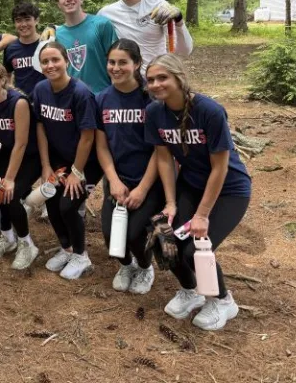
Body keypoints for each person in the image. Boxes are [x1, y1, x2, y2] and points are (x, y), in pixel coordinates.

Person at [145, 53, 251, 331]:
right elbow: (164, 158)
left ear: (179, 78)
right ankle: (191, 290)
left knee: (196, 249)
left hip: (230, 190)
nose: (156, 84)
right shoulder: (155, 112)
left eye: (162, 78)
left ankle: (222, 300)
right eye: (151, 79)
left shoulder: (209, 111)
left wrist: (202, 215)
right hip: (190, 185)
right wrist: (170, 203)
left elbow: (220, 168)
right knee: (163, 240)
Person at [95, 39, 165, 294]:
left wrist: (143, 189)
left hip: (149, 179)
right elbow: (101, 146)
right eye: (112, 62)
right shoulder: (102, 99)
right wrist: (113, 180)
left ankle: (145, 267)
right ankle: (126, 265)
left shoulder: (152, 100)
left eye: (123, 62)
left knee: (135, 233)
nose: (116, 67)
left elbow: (161, 151)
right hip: (118, 178)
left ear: (136, 64)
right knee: (109, 234)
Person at [32, 43, 103, 279]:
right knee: (51, 201)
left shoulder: (81, 93)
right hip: (59, 160)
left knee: (68, 205)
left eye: (55, 60)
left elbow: (87, 137)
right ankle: (68, 249)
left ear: (67, 62)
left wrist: (77, 172)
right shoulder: (41, 89)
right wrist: (45, 165)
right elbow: (40, 128)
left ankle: (82, 256)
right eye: (45, 61)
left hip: (86, 163)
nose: (50, 65)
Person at [0, 61, 41, 270]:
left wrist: (9, 179)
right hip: (8, 151)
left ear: (2, 80)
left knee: (9, 196)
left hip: (31, 154)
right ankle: (7, 237)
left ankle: (27, 244)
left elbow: (21, 143)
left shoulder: (18, 102)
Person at [98, 0, 193, 72]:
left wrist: (179, 21)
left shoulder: (159, 6)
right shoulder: (106, 14)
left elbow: (184, 51)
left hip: (155, 80)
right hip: (125, 83)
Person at [42, 0, 118, 94]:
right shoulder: (55, 35)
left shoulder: (101, 25)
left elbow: (116, 62)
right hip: (72, 99)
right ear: (58, 3)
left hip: (101, 96)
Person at [3, 2, 45, 96]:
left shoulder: (46, 44)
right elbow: (7, 74)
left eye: (27, 19)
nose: (23, 24)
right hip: (21, 103)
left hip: (46, 101)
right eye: (18, 20)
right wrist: (10, 89)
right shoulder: (10, 48)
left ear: (36, 20)